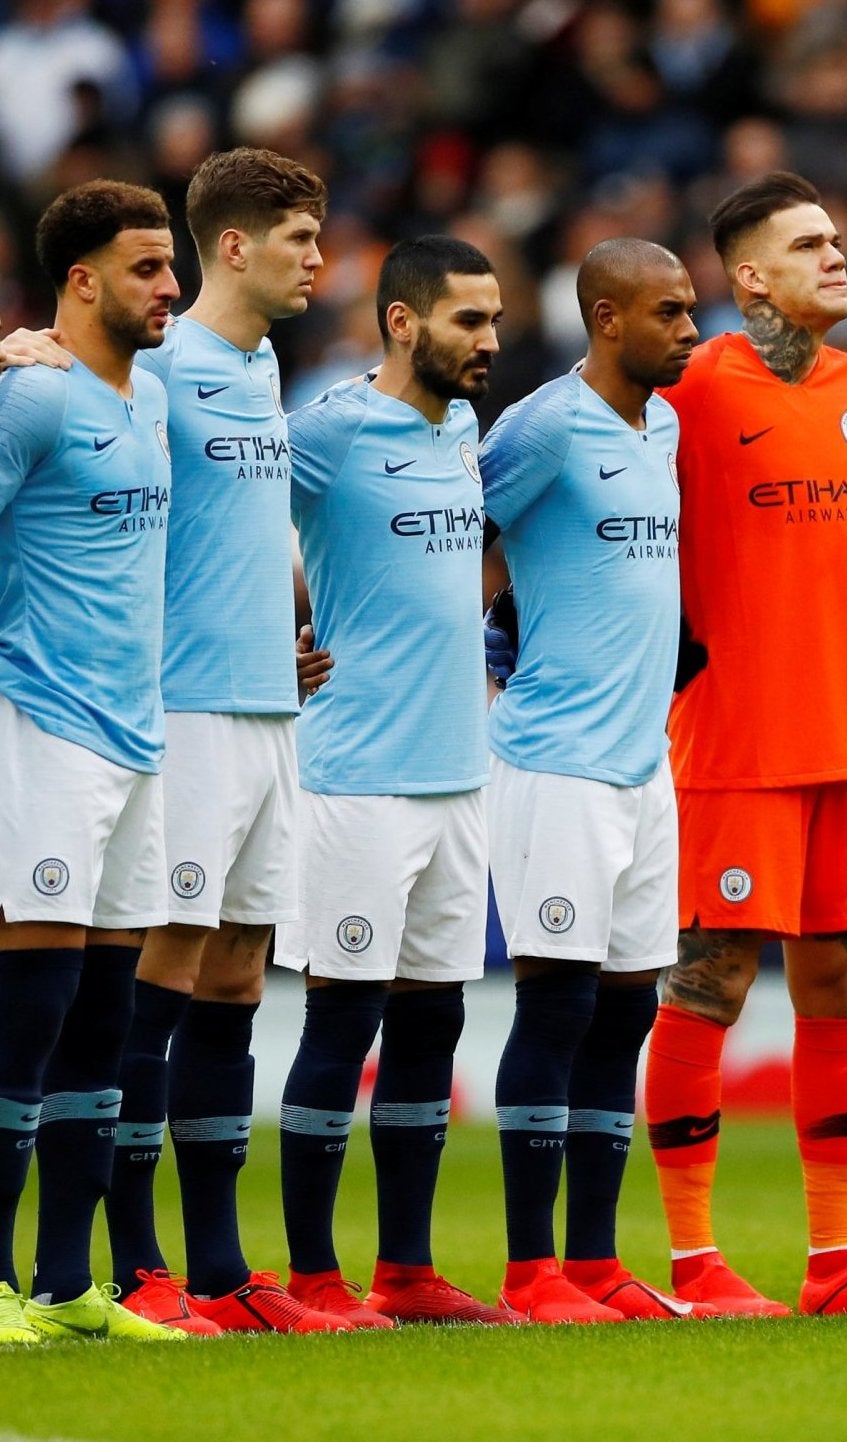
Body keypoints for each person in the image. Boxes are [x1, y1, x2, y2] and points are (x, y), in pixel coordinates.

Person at [644, 172, 847, 1318]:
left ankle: (835, 1257)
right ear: (749, 275)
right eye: (811, 244)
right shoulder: (694, 386)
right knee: (707, 982)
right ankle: (696, 1260)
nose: (837, 257)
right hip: (734, 738)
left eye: (838, 237)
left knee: (840, 982)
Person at [92, 149, 341, 1337]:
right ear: (232, 246)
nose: (318, 262)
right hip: (184, 711)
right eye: (299, 239)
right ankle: (134, 1263)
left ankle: (220, 1268)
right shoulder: (162, 365)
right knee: (168, 960)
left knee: (240, 970)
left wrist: (276, 627)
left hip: (268, 707)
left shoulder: (262, 365)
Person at [274, 235, 518, 1327]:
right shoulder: (326, 430)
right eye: (470, 319)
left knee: (431, 1026)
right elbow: (214, 522)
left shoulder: (463, 430)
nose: (491, 340)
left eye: (497, 317)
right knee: (342, 1023)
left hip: (458, 773)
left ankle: (407, 1271)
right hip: (356, 774)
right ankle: (314, 1276)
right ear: (404, 321)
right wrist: (268, 633)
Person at [481, 238, 699, 1324]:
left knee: (625, 1014)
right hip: (554, 759)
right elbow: (459, 536)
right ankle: (531, 1272)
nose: (690, 330)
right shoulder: (540, 426)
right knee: (557, 1004)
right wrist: (482, 650)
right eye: (671, 312)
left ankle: (598, 1261)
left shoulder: (661, 426)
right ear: (608, 318)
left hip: (643, 764)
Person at [0, 180, 184, 1344]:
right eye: (146, 268)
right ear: (80, 280)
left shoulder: (150, 397)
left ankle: (67, 1287)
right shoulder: (34, 398)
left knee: (107, 1010)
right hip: (44, 725)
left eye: (171, 266)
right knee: (31, 1004)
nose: (171, 288)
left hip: (139, 734)